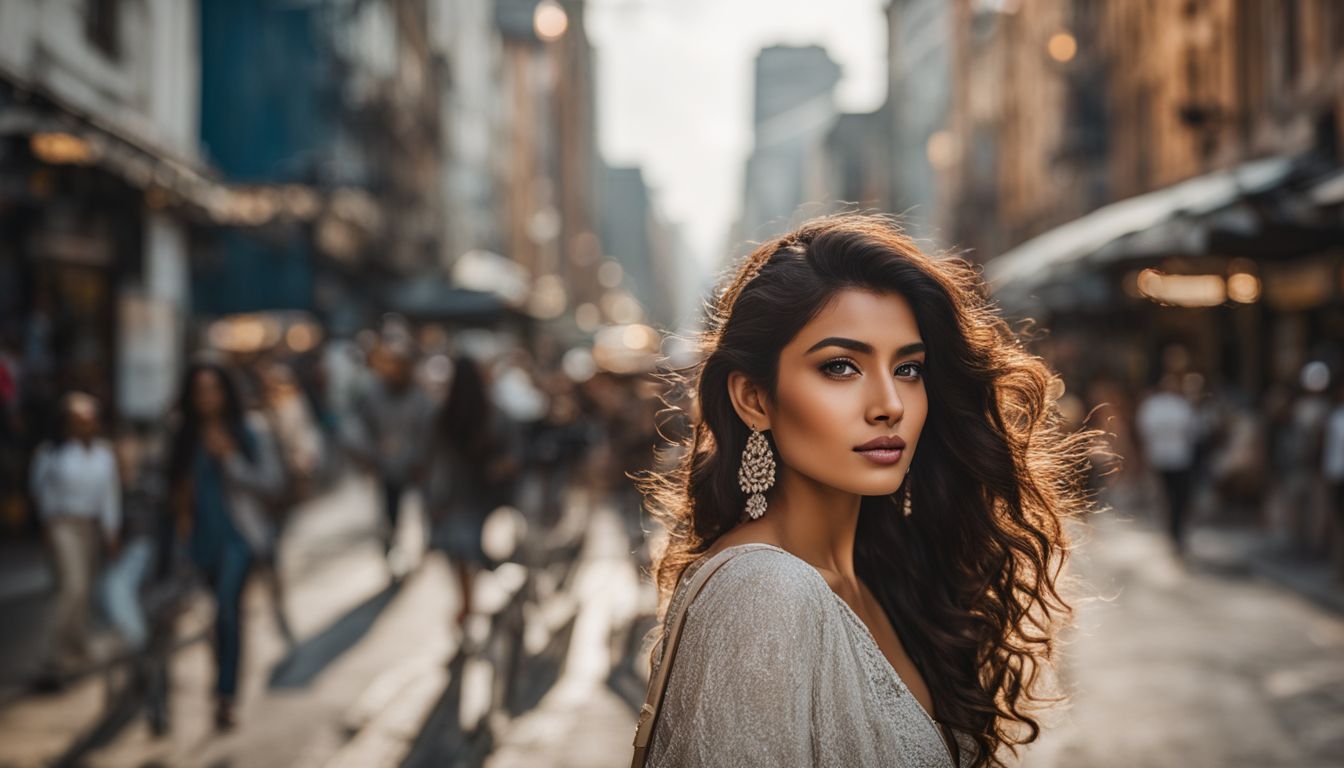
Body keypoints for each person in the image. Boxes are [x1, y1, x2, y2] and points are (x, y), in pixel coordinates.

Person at [633, 215, 1100, 767]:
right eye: (840, 367)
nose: (890, 404)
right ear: (754, 399)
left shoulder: (881, 573)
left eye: (908, 369)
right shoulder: (763, 591)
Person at [166, 361, 283, 730]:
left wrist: (229, 457)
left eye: (213, 389)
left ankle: (225, 694)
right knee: (213, 618)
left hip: (239, 538)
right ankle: (215, 682)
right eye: (199, 390)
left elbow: (271, 481)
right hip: (199, 541)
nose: (207, 398)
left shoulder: (249, 431)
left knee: (229, 611)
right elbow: (171, 489)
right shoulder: (183, 436)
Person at [29, 392, 121, 680]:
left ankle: (76, 646)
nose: (85, 425)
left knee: (85, 589)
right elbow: (40, 490)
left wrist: (111, 530)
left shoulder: (103, 453)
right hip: (62, 525)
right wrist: (45, 523)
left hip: (90, 526)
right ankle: (49, 654)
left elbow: (109, 494)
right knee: (72, 586)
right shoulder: (50, 452)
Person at [425, 355, 520, 632]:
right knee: (474, 553)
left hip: (461, 497)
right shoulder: (494, 413)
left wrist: (434, 498)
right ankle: (472, 604)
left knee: (462, 556)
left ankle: (468, 604)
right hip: (480, 498)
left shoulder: (443, 415)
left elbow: (433, 462)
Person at [346, 340, 433, 573]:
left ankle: (423, 548)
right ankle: (391, 548)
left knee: (421, 509)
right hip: (387, 466)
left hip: (415, 466)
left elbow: (428, 431)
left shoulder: (420, 397)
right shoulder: (374, 395)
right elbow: (358, 428)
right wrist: (369, 454)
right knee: (390, 512)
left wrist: (422, 459)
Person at [1135, 373, 1198, 557]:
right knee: (1174, 497)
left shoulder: (1163, 405)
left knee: (1172, 497)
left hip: (1171, 458)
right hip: (1171, 458)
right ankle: (1172, 531)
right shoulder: (1177, 405)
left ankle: (1173, 531)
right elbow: (1192, 431)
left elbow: (1144, 430)